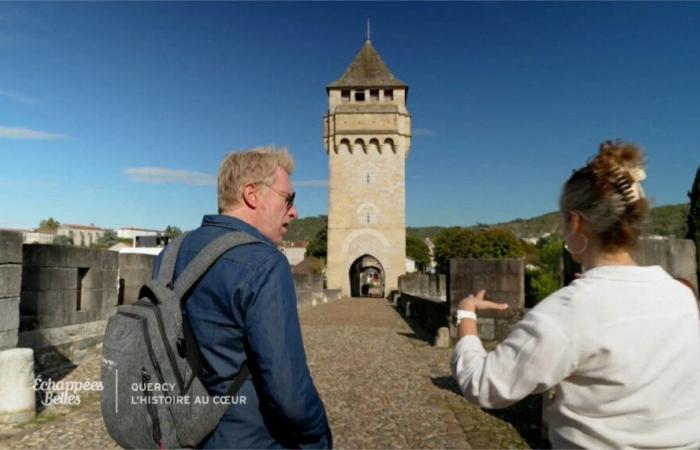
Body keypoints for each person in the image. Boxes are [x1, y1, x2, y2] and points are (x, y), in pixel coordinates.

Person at [451, 140, 700, 448]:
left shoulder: (567, 311)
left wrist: (466, 313)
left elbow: (483, 385)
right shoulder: (681, 295)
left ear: (575, 222)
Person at [153, 146, 332, 449]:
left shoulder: (169, 254)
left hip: (177, 433)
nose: (294, 212)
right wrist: (319, 438)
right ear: (252, 194)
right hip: (247, 438)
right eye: (288, 198)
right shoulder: (265, 263)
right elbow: (289, 394)